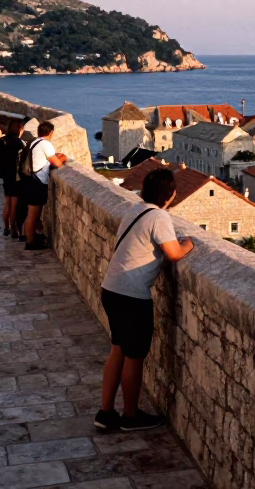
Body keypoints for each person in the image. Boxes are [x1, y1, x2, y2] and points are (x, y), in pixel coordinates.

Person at [95, 168, 195, 432]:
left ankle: (105, 412)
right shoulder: (159, 216)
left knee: (118, 348)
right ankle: (130, 416)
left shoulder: (136, 209)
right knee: (134, 356)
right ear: (171, 194)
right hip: (132, 295)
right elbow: (173, 254)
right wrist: (190, 245)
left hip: (112, 288)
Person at [22, 121, 67, 250]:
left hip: (31, 180)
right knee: (32, 214)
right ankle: (30, 243)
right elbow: (57, 163)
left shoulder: (34, 142)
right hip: (36, 183)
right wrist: (62, 158)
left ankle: (34, 238)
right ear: (51, 132)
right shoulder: (45, 144)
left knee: (34, 214)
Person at [0, 119, 26, 238]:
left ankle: (6, 227)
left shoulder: (1, 141)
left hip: (5, 176)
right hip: (16, 177)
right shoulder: (19, 143)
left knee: (7, 202)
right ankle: (13, 229)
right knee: (14, 204)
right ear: (18, 129)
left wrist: (1, 166)